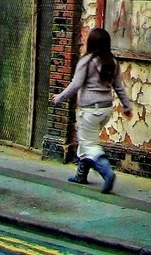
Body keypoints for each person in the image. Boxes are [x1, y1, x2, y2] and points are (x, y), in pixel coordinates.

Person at [52, 27, 132, 193]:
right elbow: (119, 87)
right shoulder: (112, 62)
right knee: (86, 140)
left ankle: (107, 173)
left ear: (91, 42)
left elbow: (76, 84)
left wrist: (59, 98)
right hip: (105, 111)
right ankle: (81, 175)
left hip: (90, 110)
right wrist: (126, 107)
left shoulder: (87, 61)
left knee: (89, 144)